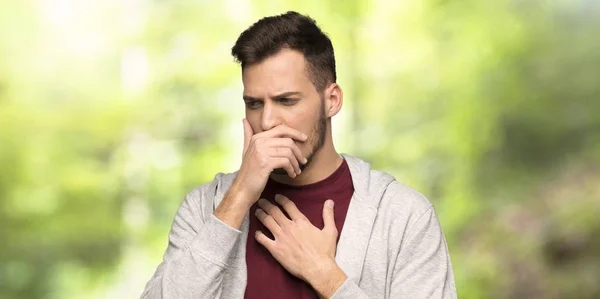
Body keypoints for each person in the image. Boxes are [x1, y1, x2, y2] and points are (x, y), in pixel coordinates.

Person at [141, 11, 457, 299]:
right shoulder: (206, 207)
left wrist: (327, 277)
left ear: (331, 100)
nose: (266, 121)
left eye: (287, 101)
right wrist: (237, 198)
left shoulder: (403, 217)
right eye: (254, 104)